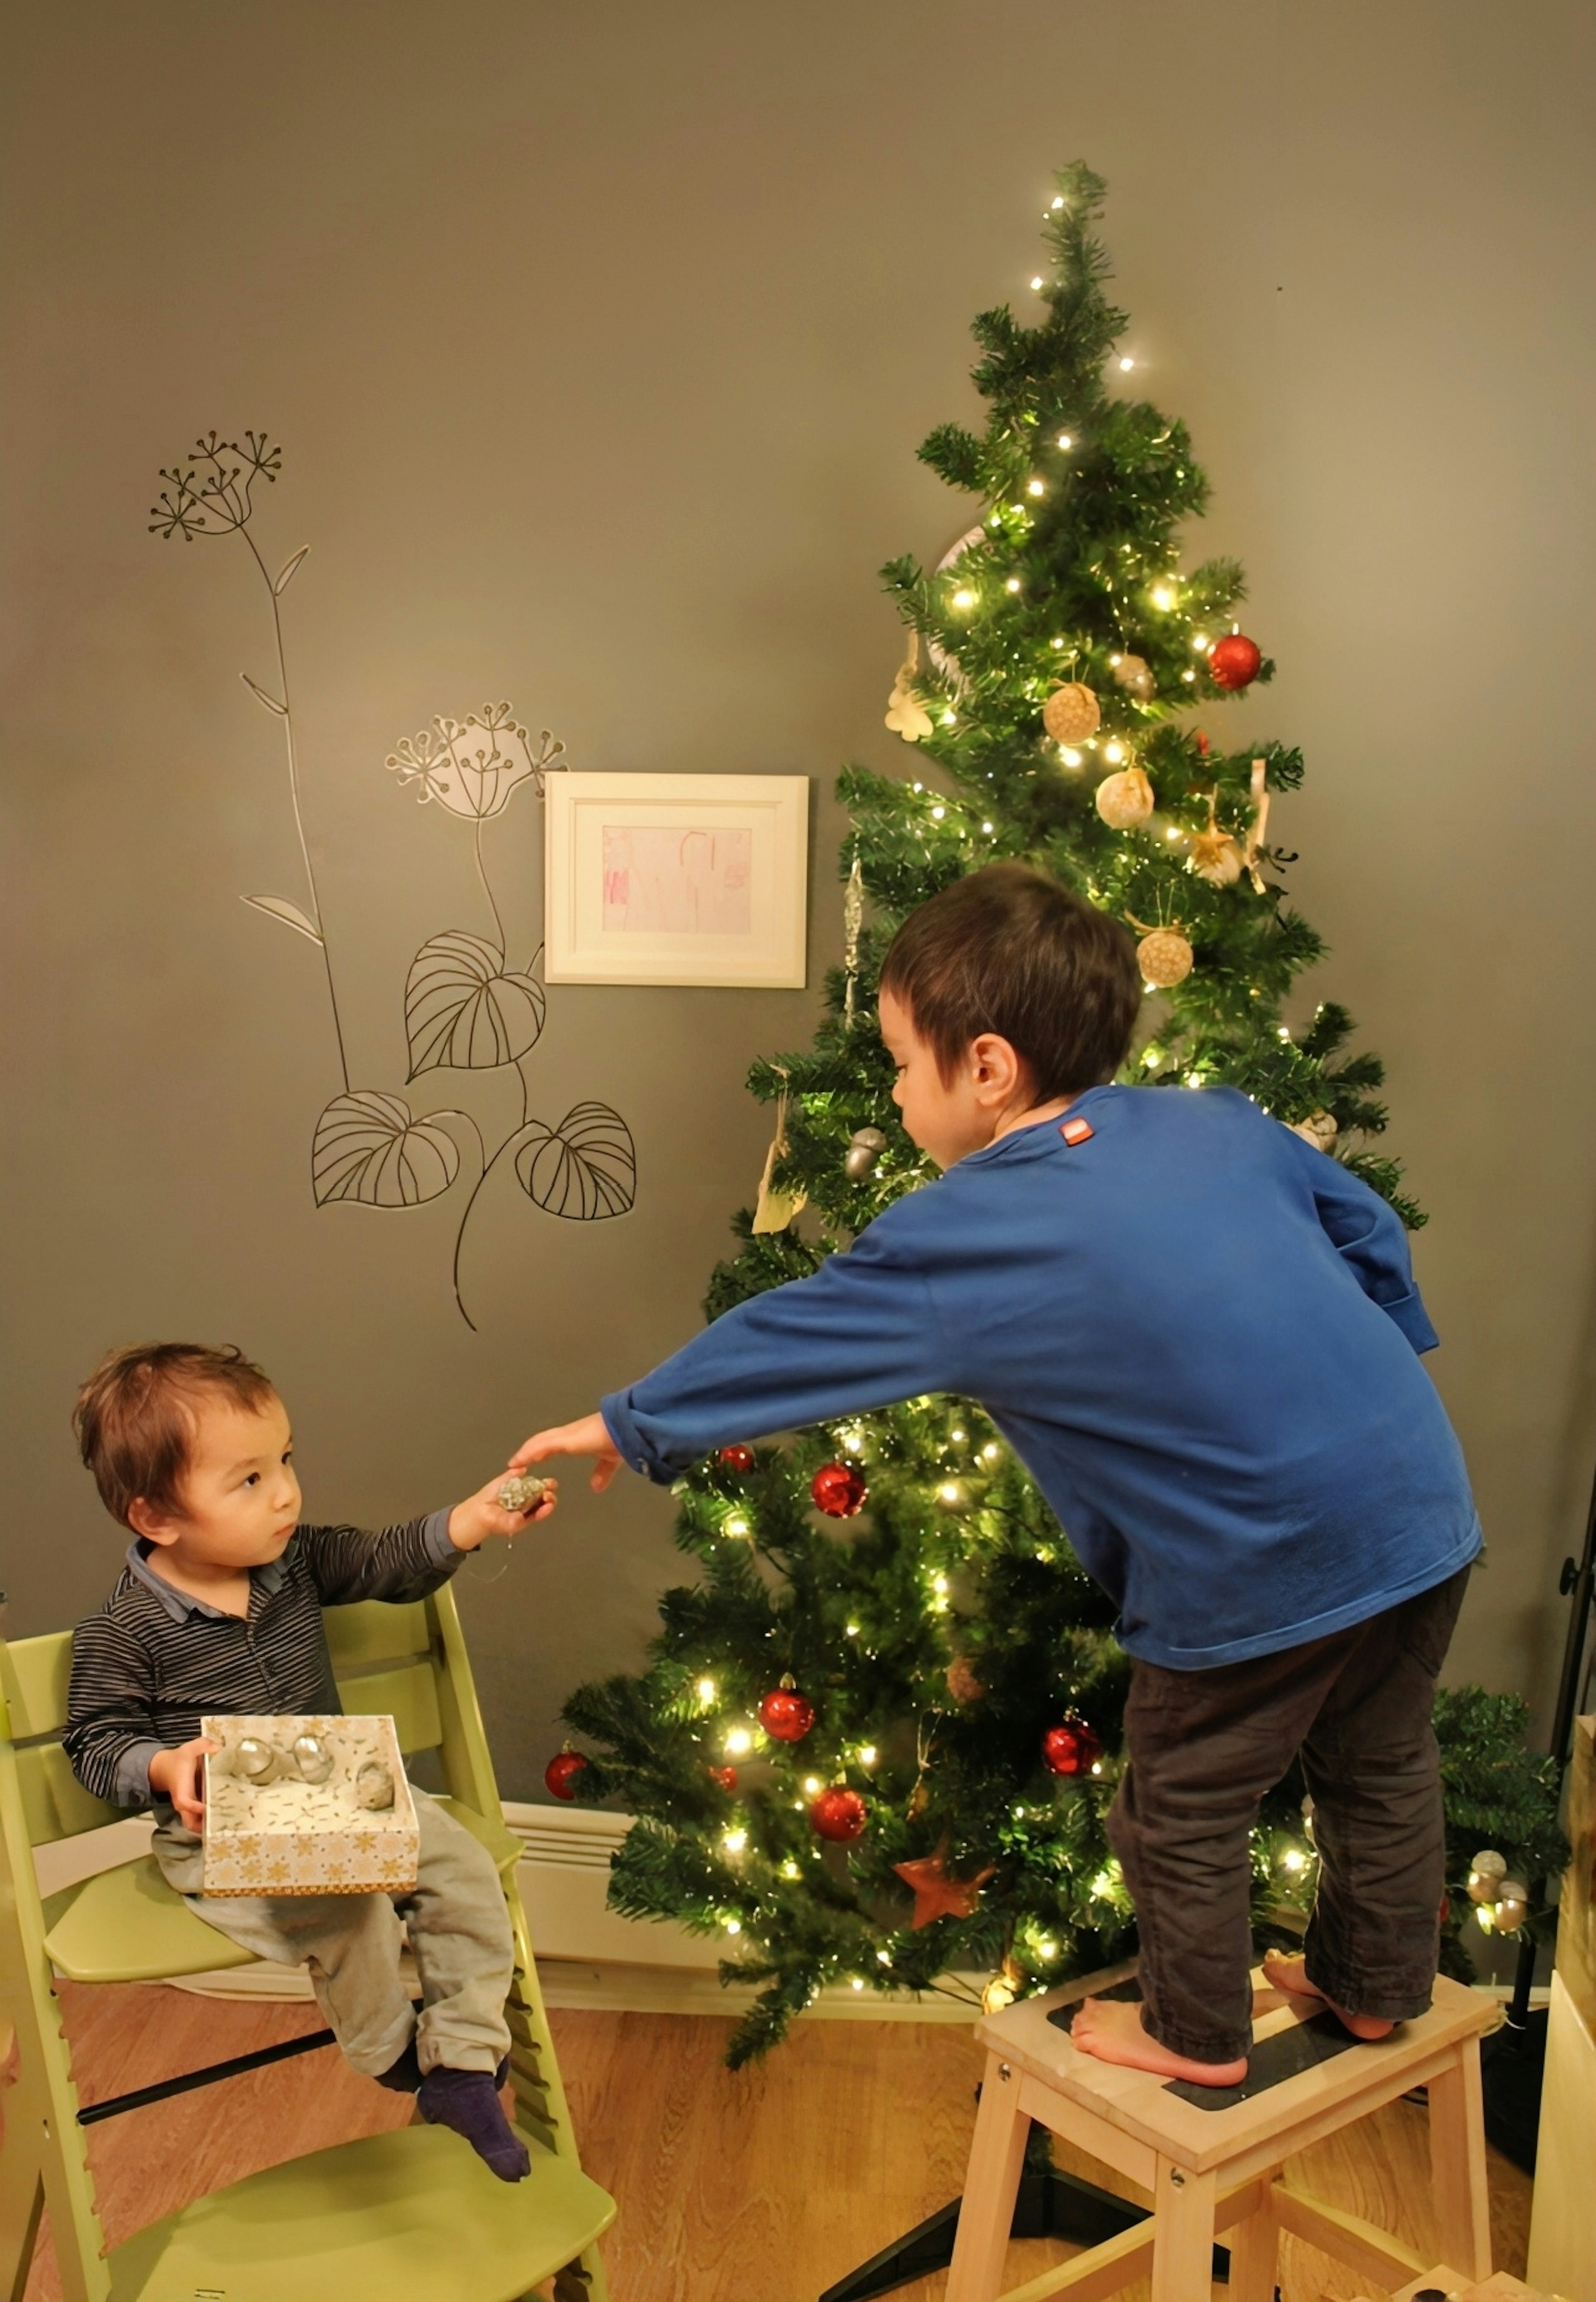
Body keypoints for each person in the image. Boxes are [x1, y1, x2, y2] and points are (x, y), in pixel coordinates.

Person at [509, 862, 1481, 2088]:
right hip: (1420, 1506)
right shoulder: (1218, 1119)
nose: (897, 1089)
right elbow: (1369, 1230)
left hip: (1256, 1564)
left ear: (987, 1068)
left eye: (904, 1063)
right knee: (1380, 1758)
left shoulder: (973, 1229)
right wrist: (1389, 1357)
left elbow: (798, 1337)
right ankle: (1374, 1985)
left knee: (1179, 1805)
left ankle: (1195, 2036)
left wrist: (627, 1424)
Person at [65, 1341, 553, 2178]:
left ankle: (465, 2062)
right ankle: (391, 2050)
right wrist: (165, 1768)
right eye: (249, 1479)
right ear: (156, 1517)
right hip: (227, 1837)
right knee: (350, 1910)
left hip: (344, 1792)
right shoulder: (122, 1633)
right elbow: (95, 1742)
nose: (286, 1490)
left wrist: (472, 1521)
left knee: (465, 1870)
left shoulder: (294, 1564)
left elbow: (386, 1561)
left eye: (285, 1460)